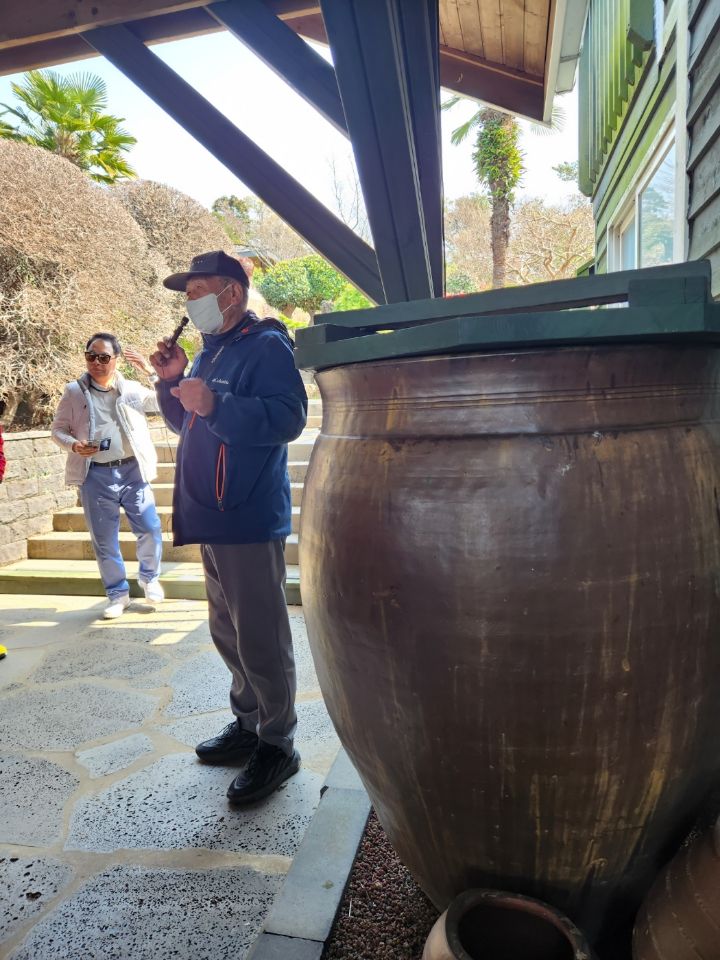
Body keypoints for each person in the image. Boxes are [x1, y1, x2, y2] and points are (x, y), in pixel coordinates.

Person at [150, 250, 308, 806]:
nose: (190, 303)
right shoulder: (210, 350)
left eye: (198, 292)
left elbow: (289, 418)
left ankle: (277, 742)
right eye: (188, 295)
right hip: (211, 512)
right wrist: (173, 382)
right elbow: (189, 421)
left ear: (232, 293)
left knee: (260, 634)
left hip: (247, 512)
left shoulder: (266, 346)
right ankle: (248, 723)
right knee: (228, 629)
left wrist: (216, 402)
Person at [51, 333, 164, 619]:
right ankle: (117, 594)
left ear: (116, 359)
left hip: (133, 470)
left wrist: (151, 373)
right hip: (96, 475)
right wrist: (74, 445)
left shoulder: (132, 390)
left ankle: (150, 577)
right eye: (91, 356)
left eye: (104, 357)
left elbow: (163, 402)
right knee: (104, 540)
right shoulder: (74, 392)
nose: (97, 362)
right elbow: (57, 430)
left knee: (150, 527)